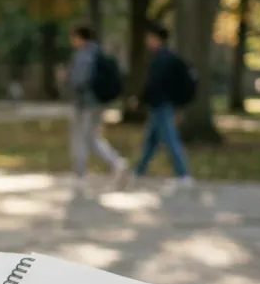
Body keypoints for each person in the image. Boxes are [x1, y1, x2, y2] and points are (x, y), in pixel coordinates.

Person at [131, 24, 194, 188]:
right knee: (152, 140)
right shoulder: (162, 58)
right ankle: (139, 171)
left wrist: (141, 99)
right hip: (159, 105)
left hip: (163, 105)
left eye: (150, 38)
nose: (147, 41)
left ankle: (183, 174)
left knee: (170, 139)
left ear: (157, 39)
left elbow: (154, 84)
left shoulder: (163, 60)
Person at [67, 25, 128, 189]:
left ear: (80, 38)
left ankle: (80, 175)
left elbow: (79, 81)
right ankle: (117, 163)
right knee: (92, 138)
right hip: (98, 103)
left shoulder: (83, 56)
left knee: (80, 138)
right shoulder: (99, 53)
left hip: (84, 104)